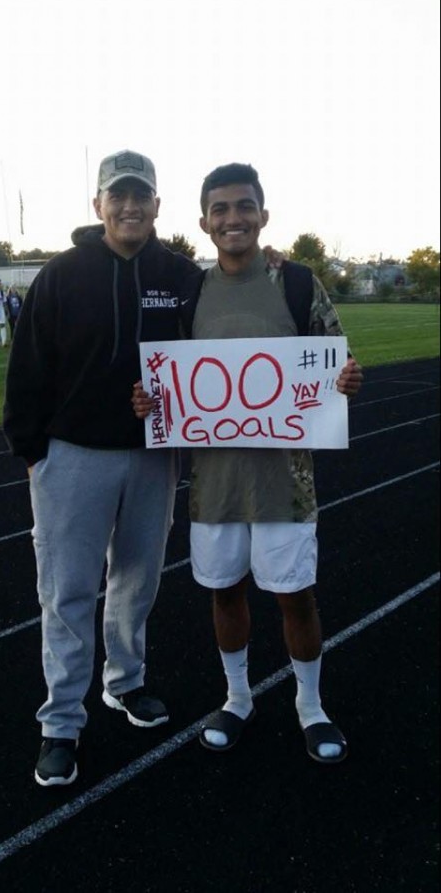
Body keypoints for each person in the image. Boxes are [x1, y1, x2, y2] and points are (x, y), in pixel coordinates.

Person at [133, 162, 363, 763]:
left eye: (244, 207)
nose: (233, 218)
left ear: (264, 214)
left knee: (297, 598)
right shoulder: (193, 292)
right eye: (221, 209)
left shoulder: (297, 282)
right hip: (215, 485)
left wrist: (347, 376)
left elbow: (335, 359)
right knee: (224, 594)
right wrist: (152, 398)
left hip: (285, 483)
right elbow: (172, 379)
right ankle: (238, 699)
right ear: (204, 222)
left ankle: (310, 707)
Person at [3, 149, 203, 787]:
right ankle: (61, 721)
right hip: (75, 459)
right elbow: (28, 370)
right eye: (117, 195)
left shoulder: (181, 273)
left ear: (157, 206)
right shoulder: (61, 276)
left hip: (152, 457)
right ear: (98, 205)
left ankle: (125, 682)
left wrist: (278, 269)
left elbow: (216, 350)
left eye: (140, 195)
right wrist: (35, 452)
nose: (129, 206)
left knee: (138, 581)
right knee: (66, 593)